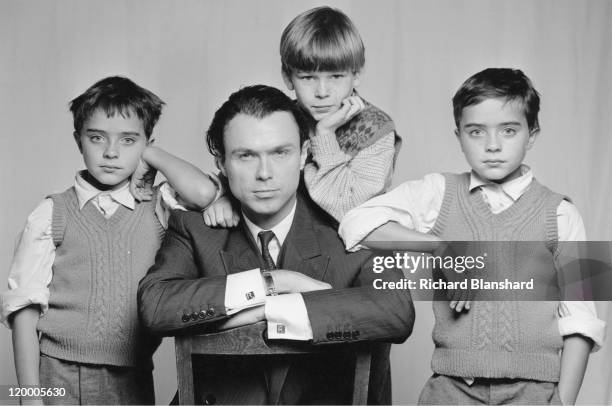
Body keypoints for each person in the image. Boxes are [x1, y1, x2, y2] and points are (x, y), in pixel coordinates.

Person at [339, 68, 606, 405]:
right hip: (451, 390)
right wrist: (440, 247)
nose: (492, 146)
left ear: (532, 135)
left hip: (536, 393)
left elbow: (583, 321)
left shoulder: (563, 213)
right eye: (476, 132)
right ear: (459, 136)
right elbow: (354, 224)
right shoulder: (438, 193)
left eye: (508, 131)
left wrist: (563, 402)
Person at [137, 85, 414, 405]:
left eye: (280, 152)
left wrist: (265, 309)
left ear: (304, 154)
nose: (264, 173)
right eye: (246, 156)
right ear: (223, 165)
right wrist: (273, 282)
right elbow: (155, 306)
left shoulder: (355, 225)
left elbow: (395, 310)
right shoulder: (195, 227)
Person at [0, 76, 221, 405]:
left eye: (129, 141)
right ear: (79, 140)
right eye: (97, 138)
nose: (111, 152)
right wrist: (30, 397)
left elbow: (204, 194)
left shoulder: (157, 207)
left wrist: (154, 156)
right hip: (57, 372)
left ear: (147, 142)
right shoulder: (51, 213)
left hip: (131, 377)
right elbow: (23, 310)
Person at [202, 6, 401, 227]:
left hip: (347, 249)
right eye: (308, 78)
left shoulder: (376, 129)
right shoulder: (284, 118)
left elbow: (348, 210)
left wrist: (325, 136)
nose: (322, 92)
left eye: (335, 76)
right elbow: (247, 166)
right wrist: (225, 198)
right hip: (289, 240)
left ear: (356, 75)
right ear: (288, 77)